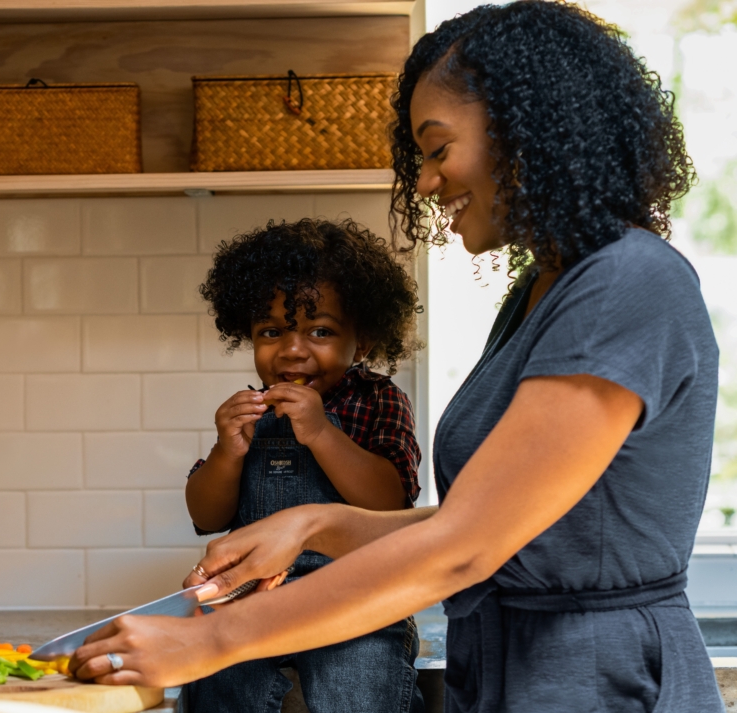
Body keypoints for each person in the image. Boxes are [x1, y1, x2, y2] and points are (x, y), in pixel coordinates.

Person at [69, 3, 725, 711]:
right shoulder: (542, 291)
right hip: (521, 674)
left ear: (526, 132)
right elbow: (493, 525)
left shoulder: (628, 282)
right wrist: (314, 523)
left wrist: (210, 640)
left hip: (599, 680)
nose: (425, 182)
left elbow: (465, 548)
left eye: (438, 149)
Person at [181, 218, 424, 712]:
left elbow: (392, 502)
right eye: (271, 332)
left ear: (366, 340)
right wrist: (228, 452)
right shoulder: (252, 410)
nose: (292, 349)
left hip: (357, 594)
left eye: (320, 331)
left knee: (359, 678)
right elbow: (207, 516)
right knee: (216, 675)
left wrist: (320, 433)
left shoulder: (380, 399)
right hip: (253, 593)